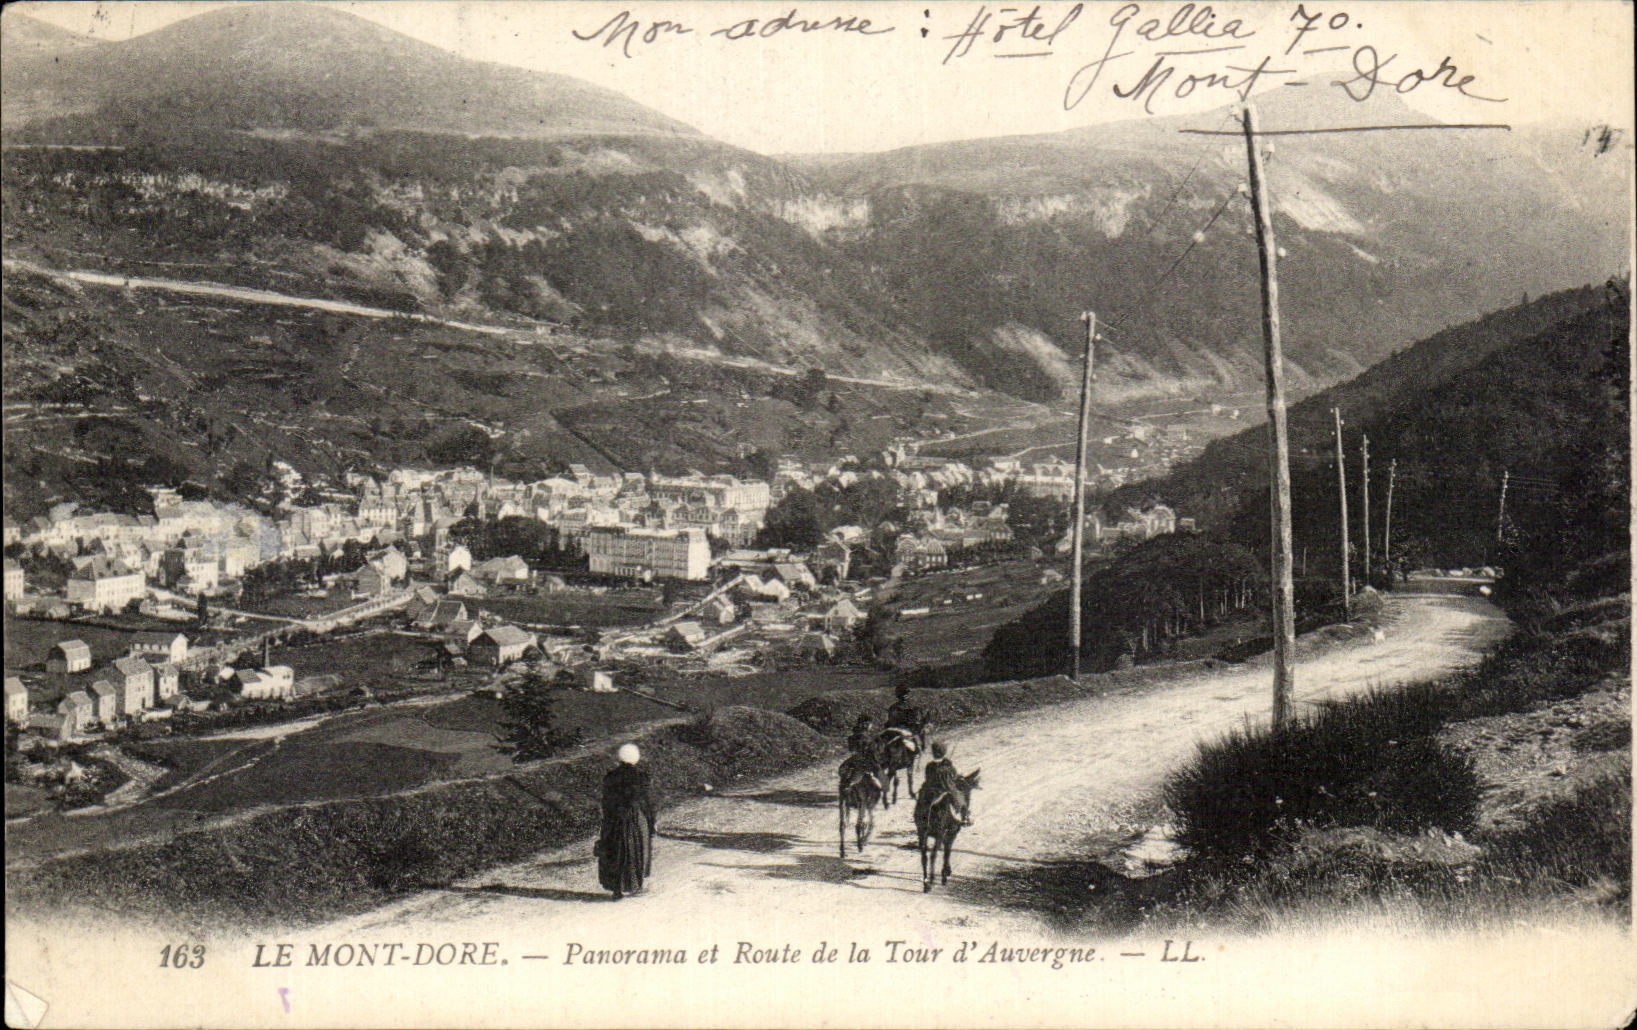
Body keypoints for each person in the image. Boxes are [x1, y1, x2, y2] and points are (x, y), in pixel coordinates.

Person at [596, 743, 655, 899]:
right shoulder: (640, 778)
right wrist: (651, 822)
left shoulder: (610, 777)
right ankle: (635, 886)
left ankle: (616, 889)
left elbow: (605, 801)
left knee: (614, 851)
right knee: (636, 851)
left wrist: (607, 819)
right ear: (636, 758)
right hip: (633, 817)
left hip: (614, 818)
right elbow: (646, 802)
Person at [915, 740, 971, 826]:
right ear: (944, 752)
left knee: (922, 797)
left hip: (933, 790)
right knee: (960, 797)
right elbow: (954, 776)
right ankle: (965, 817)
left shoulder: (929, 765)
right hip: (947, 789)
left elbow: (927, 778)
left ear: (933, 753)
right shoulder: (948, 765)